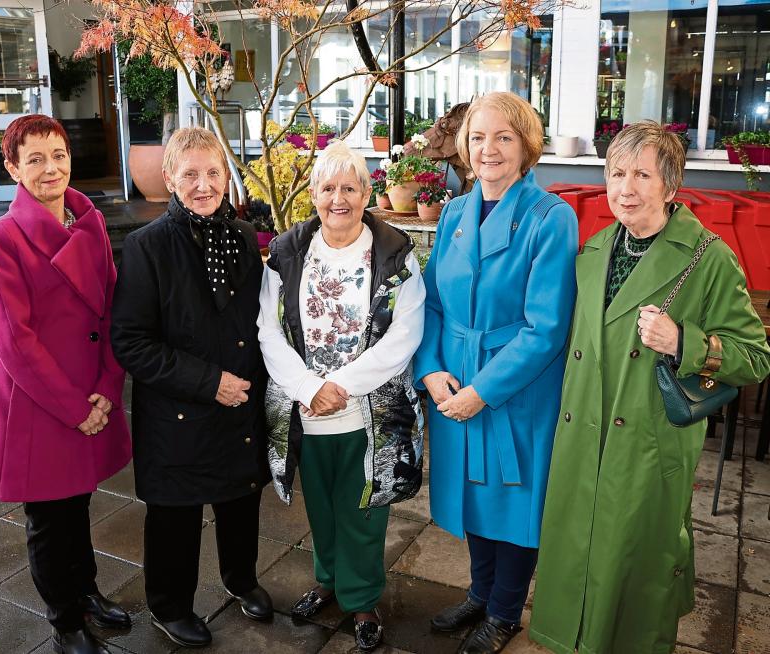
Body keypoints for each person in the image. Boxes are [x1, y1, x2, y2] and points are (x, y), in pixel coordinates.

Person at [529, 121, 770, 654]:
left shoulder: (709, 258)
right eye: (616, 173)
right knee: (576, 565)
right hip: (579, 442)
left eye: (642, 174)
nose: (626, 187)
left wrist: (686, 340)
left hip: (646, 443)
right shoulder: (592, 253)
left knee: (635, 574)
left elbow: (755, 357)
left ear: (670, 184)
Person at [414, 92, 578, 654]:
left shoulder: (551, 218)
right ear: (465, 146)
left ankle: (505, 611)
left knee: (513, 500)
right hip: (454, 378)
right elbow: (432, 302)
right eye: (479, 137)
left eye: (504, 137)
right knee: (472, 494)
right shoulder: (456, 212)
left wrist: (484, 392)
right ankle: (480, 594)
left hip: (515, 386)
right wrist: (432, 370)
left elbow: (546, 329)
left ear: (527, 147)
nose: (490, 149)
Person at [258, 140, 426, 652]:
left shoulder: (395, 254)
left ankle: (363, 598)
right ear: (313, 194)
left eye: (349, 187)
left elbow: (406, 333)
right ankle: (328, 581)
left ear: (366, 193)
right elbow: (269, 330)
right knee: (323, 507)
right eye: (328, 187)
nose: (339, 198)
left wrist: (340, 386)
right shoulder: (286, 253)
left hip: (364, 411)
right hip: (306, 410)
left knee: (363, 509)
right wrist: (309, 388)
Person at [0, 114, 132, 654]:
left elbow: (112, 312)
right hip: (39, 399)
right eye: (34, 159)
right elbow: (14, 340)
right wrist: (74, 406)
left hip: (90, 390)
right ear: (12, 168)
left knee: (79, 502)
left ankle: (85, 593)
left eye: (58, 155)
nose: (50, 169)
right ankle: (65, 620)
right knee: (48, 516)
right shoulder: (1, 238)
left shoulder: (88, 221)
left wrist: (109, 387)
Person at [110, 127, 272, 649]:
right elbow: (130, 342)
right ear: (169, 178)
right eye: (191, 175)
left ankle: (240, 578)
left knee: (241, 502)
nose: (204, 185)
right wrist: (209, 382)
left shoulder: (245, 236)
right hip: (178, 410)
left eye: (213, 173)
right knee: (175, 516)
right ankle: (170, 605)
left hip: (239, 402)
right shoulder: (146, 246)